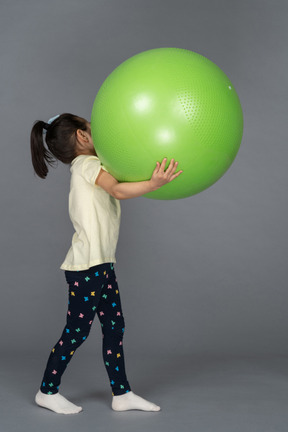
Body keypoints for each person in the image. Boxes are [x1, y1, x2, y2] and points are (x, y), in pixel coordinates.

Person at [30, 113, 183, 415]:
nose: (97, 131)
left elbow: (117, 183)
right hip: (87, 267)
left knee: (115, 327)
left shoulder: (88, 166)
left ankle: (122, 393)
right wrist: (154, 183)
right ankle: (47, 391)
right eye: (91, 127)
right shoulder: (87, 165)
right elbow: (118, 190)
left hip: (101, 264)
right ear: (83, 137)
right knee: (77, 332)